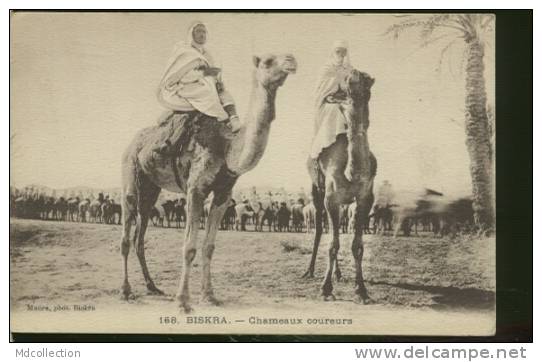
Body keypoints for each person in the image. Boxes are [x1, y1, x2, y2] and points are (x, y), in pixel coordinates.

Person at [154, 21, 241, 154]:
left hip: (203, 86)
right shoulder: (185, 52)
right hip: (181, 88)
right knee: (207, 90)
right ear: (191, 34)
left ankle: (234, 120)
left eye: (204, 31)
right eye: (198, 31)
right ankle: (222, 118)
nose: (202, 34)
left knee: (223, 92)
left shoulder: (207, 55)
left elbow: (213, 75)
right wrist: (205, 73)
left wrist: (218, 80)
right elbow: (180, 78)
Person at [310, 40, 354, 159]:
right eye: (338, 51)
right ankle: (328, 142)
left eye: (343, 52)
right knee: (334, 109)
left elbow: (350, 87)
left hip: (345, 100)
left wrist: (346, 95)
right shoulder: (326, 69)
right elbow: (322, 91)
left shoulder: (349, 69)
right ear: (333, 52)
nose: (340, 54)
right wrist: (331, 97)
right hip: (327, 103)